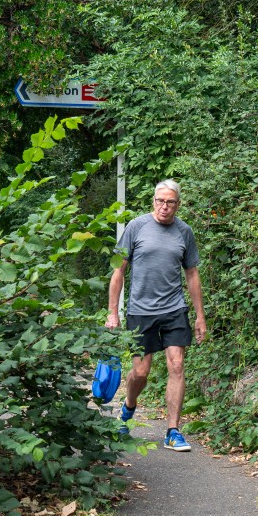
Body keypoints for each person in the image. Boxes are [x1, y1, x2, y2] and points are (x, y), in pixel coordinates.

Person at [105, 179, 207, 451]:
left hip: (174, 308)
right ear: (154, 201)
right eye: (160, 201)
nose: (164, 206)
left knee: (176, 365)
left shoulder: (184, 232)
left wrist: (200, 316)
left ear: (178, 204)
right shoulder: (136, 227)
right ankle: (128, 408)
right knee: (141, 371)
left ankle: (173, 431)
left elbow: (192, 274)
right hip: (141, 310)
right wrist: (112, 312)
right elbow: (119, 271)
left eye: (170, 202)